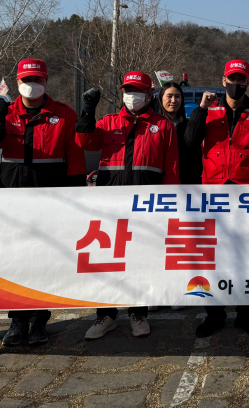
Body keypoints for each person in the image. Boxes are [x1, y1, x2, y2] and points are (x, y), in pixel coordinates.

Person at [0, 58, 86, 347]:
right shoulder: (4, 112)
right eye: (27, 80)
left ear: (46, 81)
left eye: (37, 80)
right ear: (17, 82)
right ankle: (17, 320)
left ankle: (40, 319)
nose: (32, 85)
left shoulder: (63, 114)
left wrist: (75, 197)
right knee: (15, 259)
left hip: (50, 197)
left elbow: (75, 156)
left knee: (45, 260)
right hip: (13, 197)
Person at [76, 71, 180, 340]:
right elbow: (84, 142)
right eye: (128, 90)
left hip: (146, 206)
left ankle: (138, 313)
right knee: (106, 259)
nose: (131, 95)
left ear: (149, 94)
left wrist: (169, 205)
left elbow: (171, 169)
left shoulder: (163, 126)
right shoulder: (107, 122)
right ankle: (106, 315)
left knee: (140, 259)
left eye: (137, 91)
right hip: (110, 204)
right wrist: (87, 110)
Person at [185, 59, 249, 338]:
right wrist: (200, 110)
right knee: (214, 256)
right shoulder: (209, 109)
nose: (236, 84)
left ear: (247, 82)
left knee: (247, 257)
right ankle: (214, 315)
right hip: (214, 193)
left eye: (241, 80)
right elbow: (190, 142)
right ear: (223, 79)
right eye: (232, 79)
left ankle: (246, 316)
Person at [157, 81, 202, 184]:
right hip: (159, 184)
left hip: (187, 183)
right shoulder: (153, 126)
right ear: (161, 98)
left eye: (177, 96)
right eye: (169, 96)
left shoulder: (189, 126)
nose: (173, 100)